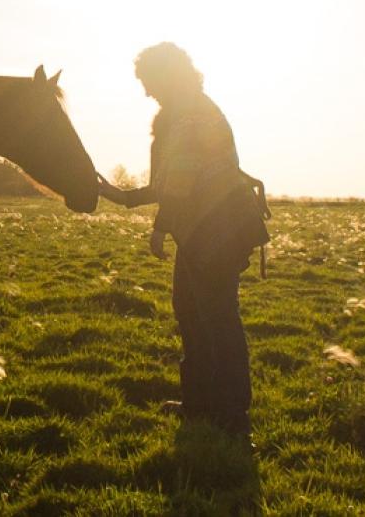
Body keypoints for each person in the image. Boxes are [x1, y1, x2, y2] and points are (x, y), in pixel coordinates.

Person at [99, 42, 270, 439]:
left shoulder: (192, 114)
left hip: (219, 230)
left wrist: (160, 227)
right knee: (191, 313)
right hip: (201, 231)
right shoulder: (182, 113)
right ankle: (200, 403)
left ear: (167, 74)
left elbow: (182, 178)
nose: (145, 91)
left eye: (148, 81)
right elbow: (169, 182)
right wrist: (121, 196)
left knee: (217, 318)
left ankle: (232, 414)